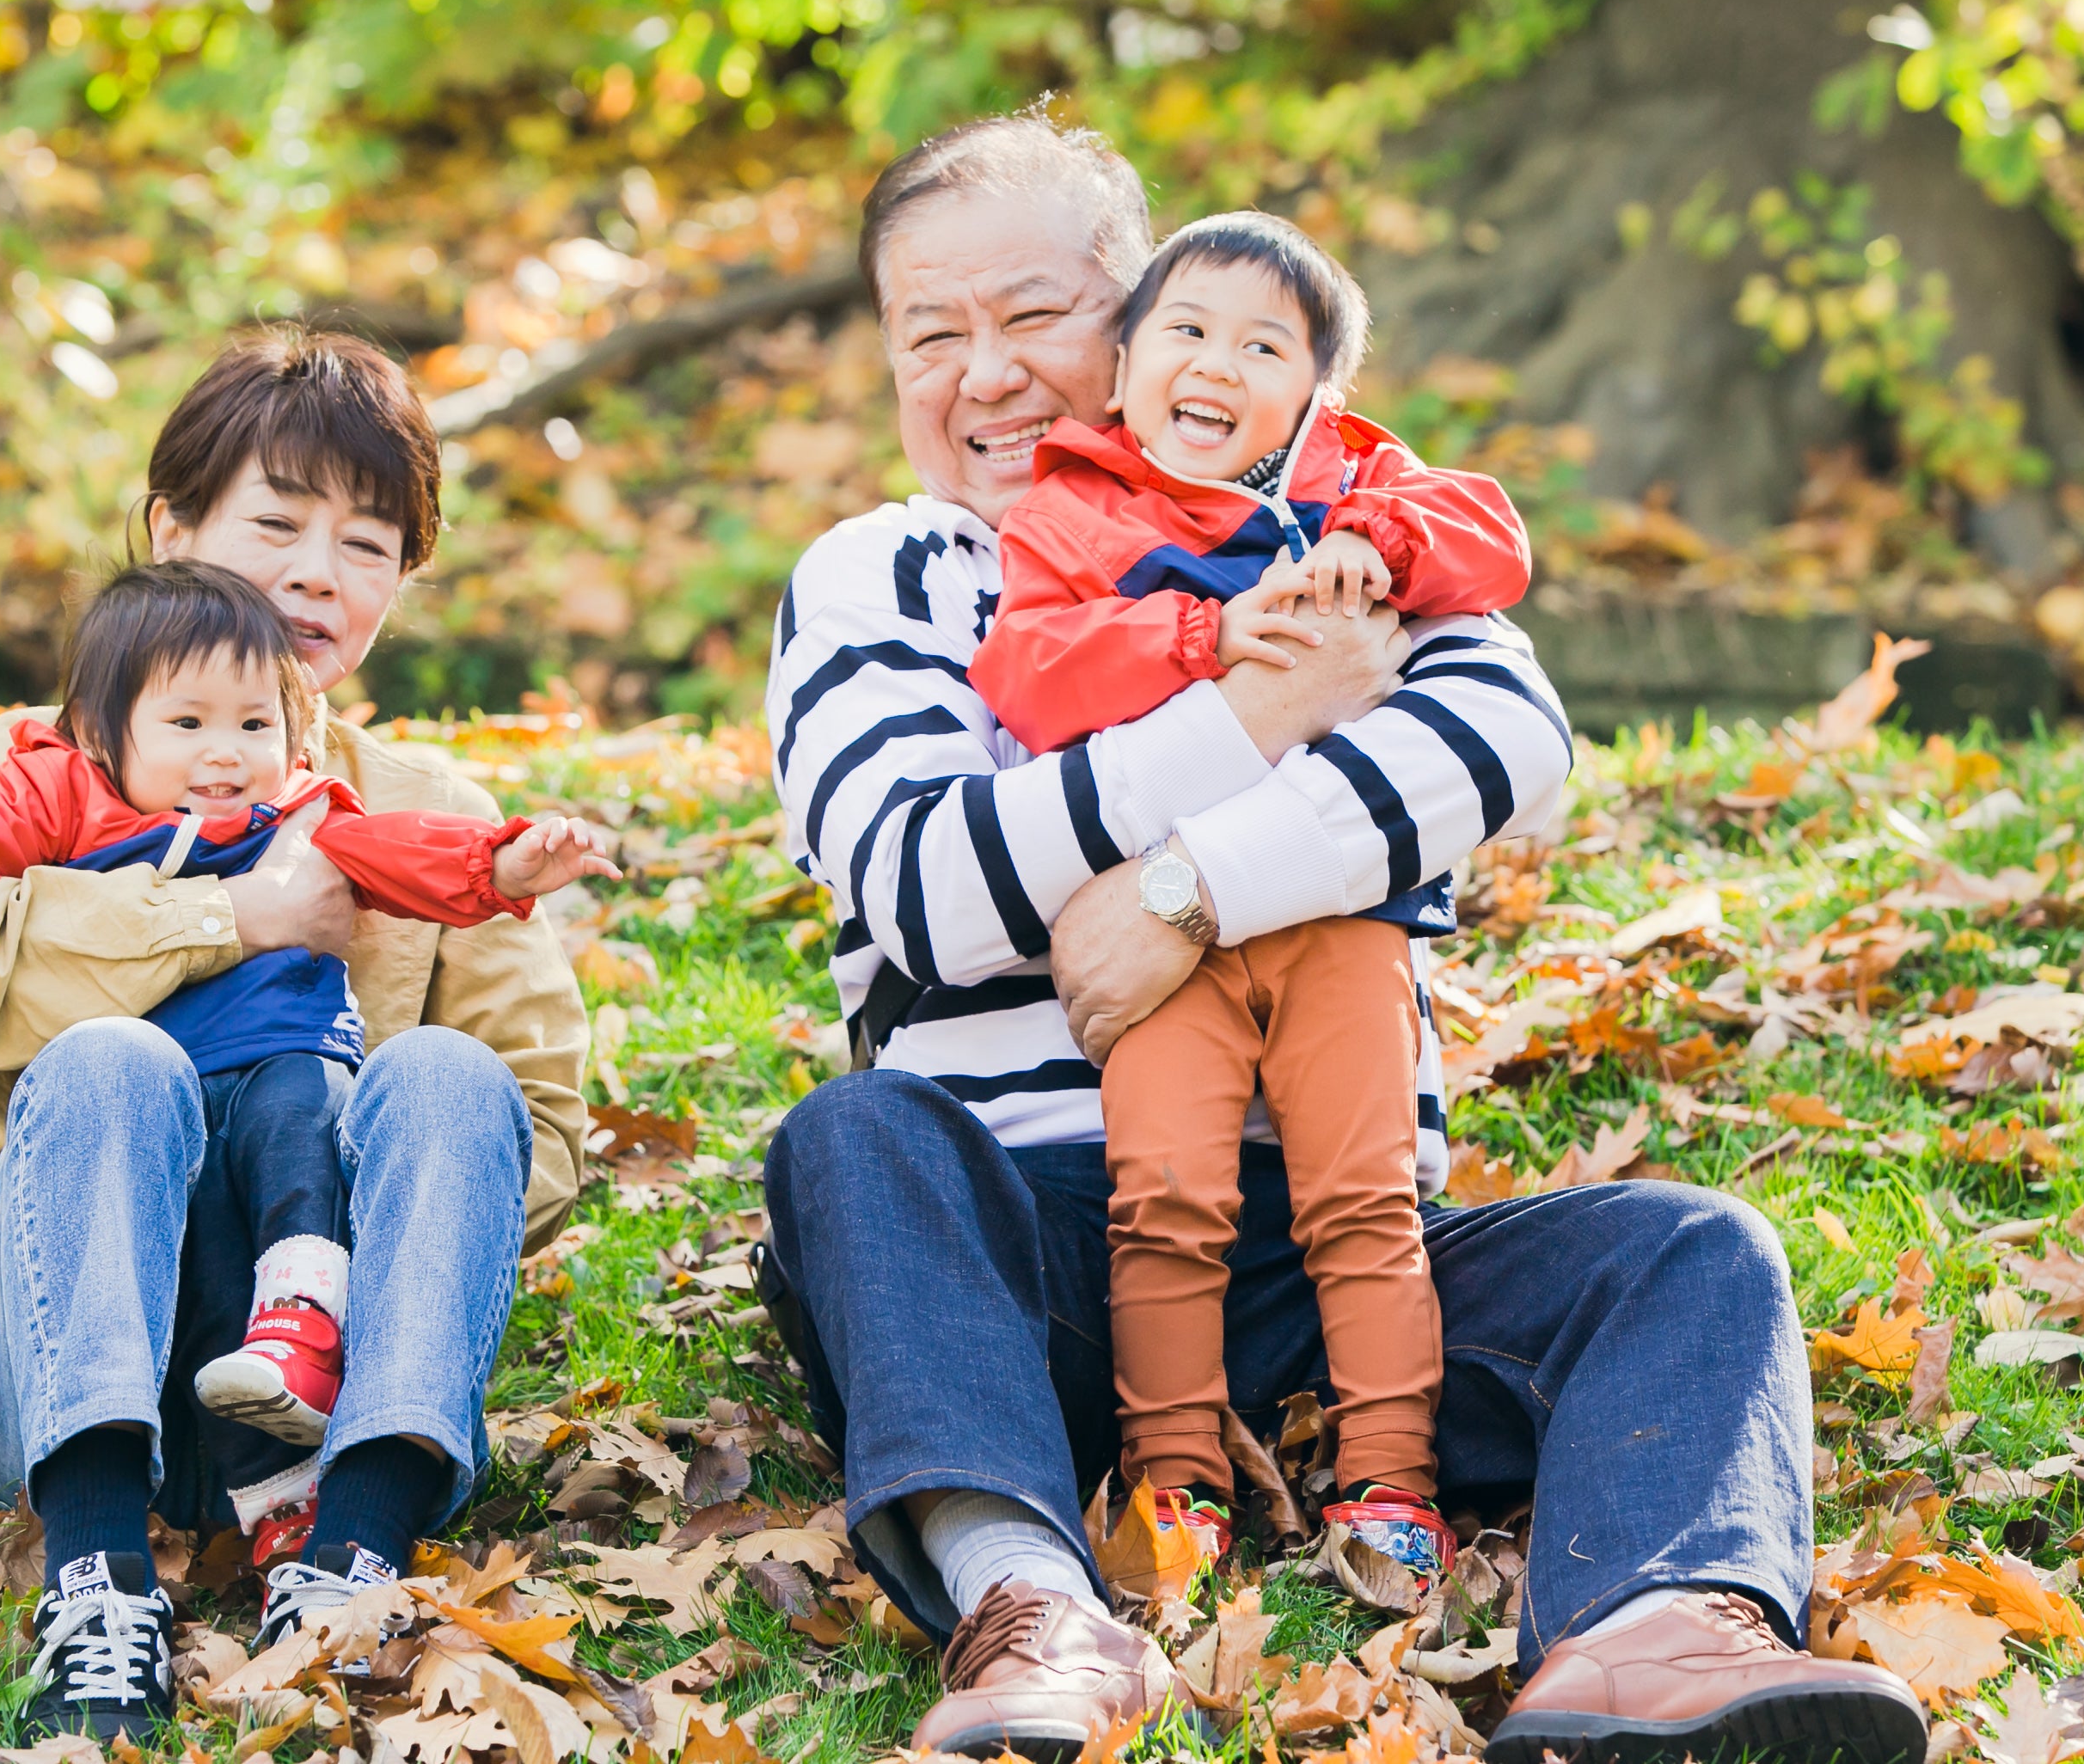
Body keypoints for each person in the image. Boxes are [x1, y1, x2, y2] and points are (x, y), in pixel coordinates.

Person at [761, 110, 1925, 1764]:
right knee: (855, 1141)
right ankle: (1031, 1608)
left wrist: (1182, 896)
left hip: (1337, 1247)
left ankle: (1653, 1635)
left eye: (1033, 315)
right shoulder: (887, 576)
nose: (989, 373)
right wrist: (1269, 713)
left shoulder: (1335, 520)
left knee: (1694, 1250)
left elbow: (1500, 748)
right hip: (1015, 1255)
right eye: (928, 334)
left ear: (1151, 307)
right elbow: (927, 887)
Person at [0, 330, 591, 1746]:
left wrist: (346, 1154)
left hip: (312, 1373)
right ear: (173, 531)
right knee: (113, 1062)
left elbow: (541, 1137)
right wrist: (243, 919)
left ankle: (353, 1556)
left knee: (451, 1073)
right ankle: (96, 1577)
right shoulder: (40, 773)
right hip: (40, 1348)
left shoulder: (430, 812)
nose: (322, 570)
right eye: (278, 522)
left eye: (368, 542)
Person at [965, 210, 1530, 1600]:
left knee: (1365, 1193)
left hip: (1338, 918)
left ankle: (1389, 1484)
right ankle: (1176, 1487)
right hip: (1158, 939)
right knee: (1161, 1197)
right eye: (1188, 331)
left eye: (1264, 344)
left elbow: (1492, 537)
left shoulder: (1352, 485)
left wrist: (1381, 550)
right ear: (1126, 363)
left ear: (1316, 395)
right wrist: (1204, 635)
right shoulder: (1071, 511)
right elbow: (1029, 674)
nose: (1217, 362)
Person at [0, 559, 611, 1456]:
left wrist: (503, 866)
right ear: (101, 735)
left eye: (253, 723)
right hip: (129, 1131)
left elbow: (409, 857)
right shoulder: (64, 788)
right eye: (188, 723)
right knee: (122, 1076)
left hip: (280, 1062)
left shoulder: (303, 814)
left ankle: (301, 1332)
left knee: (301, 1124)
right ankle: (103, 1458)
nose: (224, 751)